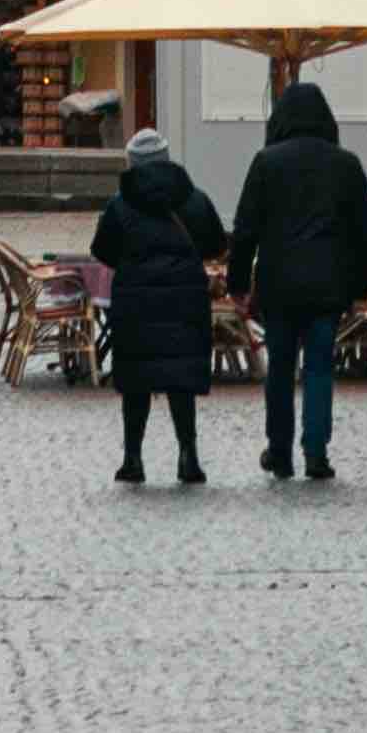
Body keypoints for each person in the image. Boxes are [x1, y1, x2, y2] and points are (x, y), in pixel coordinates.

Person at [226, 77, 367, 483]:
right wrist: (358, 286)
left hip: (278, 284)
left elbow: (245, 230)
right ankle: (316, 451)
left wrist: (237, 284)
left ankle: (279, 450)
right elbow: (364, 232)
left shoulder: (266, 162)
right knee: (319, 368)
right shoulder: (346, 164)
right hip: (329, 284)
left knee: (280, 368)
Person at [89, 138, 227, 486]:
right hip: (185, 301)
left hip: (136, 304)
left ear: (132, 164)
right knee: (181, 381)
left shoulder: (120, 205)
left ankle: (132, 459)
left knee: (136, 380)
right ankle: (188, 456)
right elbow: (216, 245)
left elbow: (102, 250)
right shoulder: (193, 199)